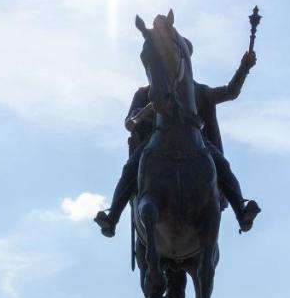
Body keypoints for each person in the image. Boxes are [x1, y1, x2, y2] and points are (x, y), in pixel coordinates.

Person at [94, 47, 261, 238]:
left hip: (198, 142)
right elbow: (129, 123)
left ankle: (241, 209)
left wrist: (244, 68)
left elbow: (230, 92)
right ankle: (112, 217)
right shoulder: (143, 94)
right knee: (131, 167)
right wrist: (147, 110)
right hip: (154, 142)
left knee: (222, 164)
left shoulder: (200, 91)